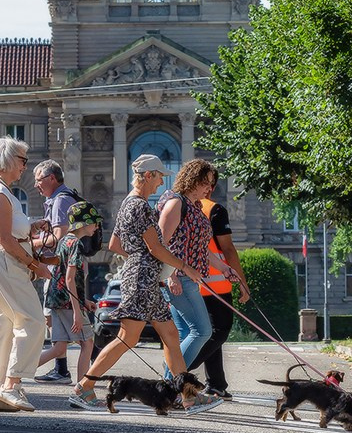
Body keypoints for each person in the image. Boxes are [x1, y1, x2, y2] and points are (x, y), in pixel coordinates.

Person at [69, 155, 222, 414]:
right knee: (127, 337)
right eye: (160, 176)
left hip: (144, 277)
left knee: (172, 337)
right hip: (142, 279)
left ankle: (188, 397)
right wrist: (183, 267)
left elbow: (115, 245)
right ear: (148, 175)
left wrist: (141, 259)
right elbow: (155, 247)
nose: (162, 182)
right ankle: (84, 386)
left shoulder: (128, 203)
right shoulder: (140, 206)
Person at [0, 137, 49, 412]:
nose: (25, 167)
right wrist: (34, 265)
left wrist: (31, 226)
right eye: (22, 160)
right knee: (32, 320)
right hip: (4, 259)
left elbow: (8, 232)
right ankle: (11, 384)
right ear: (7, 161)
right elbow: (5, 238)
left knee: (3, 324)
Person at [187, 177, 251, 400]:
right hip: (216, 283)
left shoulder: (182, 206)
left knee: (210, 334)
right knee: (220, 331)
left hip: (191, 282)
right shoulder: (214, 209)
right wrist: (242, 282)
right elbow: (228, 249)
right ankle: (180, 370)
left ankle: (216, 383)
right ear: (210, 187)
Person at [156, 159, 216, 371]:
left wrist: (225, 268)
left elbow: (200, 247)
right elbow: (161, 243)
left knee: (183, 335)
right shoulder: (176, 203)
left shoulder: (195, 206)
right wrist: (171, 276)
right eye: (206, 182)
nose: (209, 188)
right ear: (193, 180)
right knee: (202, 331)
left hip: (188, 278)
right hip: (178, 279)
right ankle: (174, 381)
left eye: (211, 184)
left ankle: (170, 384)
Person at [35, 201, 102, 383]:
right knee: (87, 343)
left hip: (56, 300)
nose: (96, 227)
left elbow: (64, 274)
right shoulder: (77, 245)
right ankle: (82, 389)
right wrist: (78, 312)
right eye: (94, 222)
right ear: (84, 223)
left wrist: (84, 300)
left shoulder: (65, 240)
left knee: (58, 348)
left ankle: (16, 372)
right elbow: (70, 278)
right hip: (68, 303)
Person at [32, 159, 78, 384]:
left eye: (39, 180)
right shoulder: (58, 199)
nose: (35, 185)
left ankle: (60, 370)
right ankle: (61, 370)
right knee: (55, 319)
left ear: (51, 178)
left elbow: (60, 238)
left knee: (55, 318)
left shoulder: (60, 201)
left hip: (60, 271)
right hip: (61, 267)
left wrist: (32, 244)